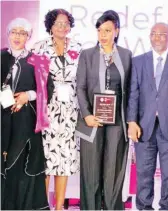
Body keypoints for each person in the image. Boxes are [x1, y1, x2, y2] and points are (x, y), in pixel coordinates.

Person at [127, 22, 168, 210]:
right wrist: (131, 121)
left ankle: (166, 207)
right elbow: (133, 93)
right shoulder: (138, 61)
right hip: (143, 126)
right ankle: (144, 207)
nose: (157, 38)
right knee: (143, 172)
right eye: (153, 34)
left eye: (162, 34)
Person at [76, 10, 132, 210]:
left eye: (107, 30)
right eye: (100, 30)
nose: (103, 35)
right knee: (91, 172)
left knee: (113, 171)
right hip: (92, 120)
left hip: (117, 122)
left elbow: (130, 90)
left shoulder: (126, 55)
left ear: (116, 31)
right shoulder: (87, 55)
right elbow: (80, 88)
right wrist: (87, 115)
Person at [31, 9, 82, 210]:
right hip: (47, 110)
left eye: (66, 23)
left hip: (71, 110)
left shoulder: (78, 48)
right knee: (46, 159)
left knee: (65, 160)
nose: (62, 26)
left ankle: (59, 206)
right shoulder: (39, 48)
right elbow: (33, 80)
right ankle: (43, 205)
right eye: (58, 23)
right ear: (50, 26)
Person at [1, 17, 53, 210]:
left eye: (23, 33)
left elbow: (49, 89)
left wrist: (27, 95)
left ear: (29, 37)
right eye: (14, 32)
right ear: (8, 34)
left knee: (24, 167)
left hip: (26, 124)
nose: (17, 36)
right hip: (2, 123)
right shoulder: (0, 58)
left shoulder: (37, 60)